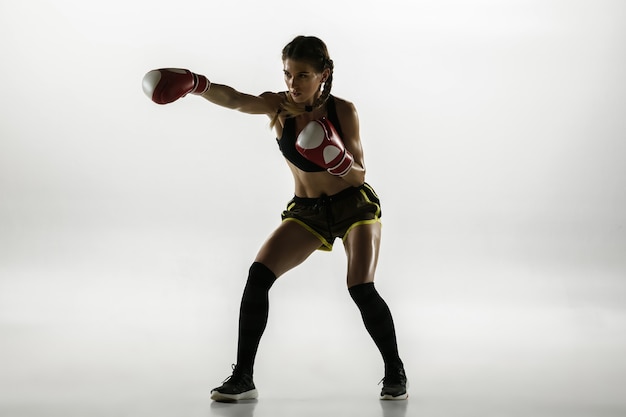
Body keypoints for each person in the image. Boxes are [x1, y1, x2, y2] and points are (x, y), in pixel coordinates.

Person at [142, 35, 407, 402]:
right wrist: (197, 84)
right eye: (287, 74)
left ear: (323, 75)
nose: (292, 84)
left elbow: (359, 173)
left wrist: (336, 156)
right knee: (258, 275)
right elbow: (234, 99)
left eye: (302, 75)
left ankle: (395, 371)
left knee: (360, 287)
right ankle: (243, 377)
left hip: (354, 207)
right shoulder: (278, 108)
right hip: (308, 212)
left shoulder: (343, 111)